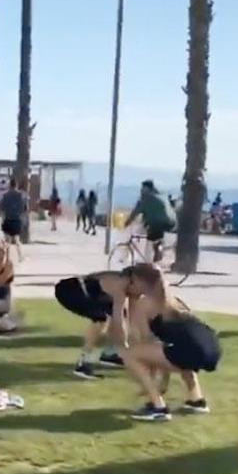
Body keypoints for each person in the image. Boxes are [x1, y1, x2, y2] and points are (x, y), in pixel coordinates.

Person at [119, 264, 220, 422]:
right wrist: (163, 378)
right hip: (211, 348)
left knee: (129, 354)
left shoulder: (144, 304)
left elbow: (146, 346)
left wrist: (151, 385)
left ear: (139, 281)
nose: (128, 287)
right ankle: (196, 401)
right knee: (184, 350)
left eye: (131, 282)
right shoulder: (174, 299)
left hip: (192, 348)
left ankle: (158, 407)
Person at [54, 269, 134, 380]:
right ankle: (83, 364)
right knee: (101, 319)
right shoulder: (121, 284)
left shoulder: (129, 284)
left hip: (88, 290)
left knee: (120, 314)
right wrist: (126, 349)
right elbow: (118, 320)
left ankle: (110, 354)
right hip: (70, 289)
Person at [125, 180, 177, 263]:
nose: (141, 190)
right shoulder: (160, 195)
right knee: (153, 236)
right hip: (171, 222)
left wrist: (127, 222)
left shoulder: (145, 198)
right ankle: (158, 247)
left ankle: (150, 262)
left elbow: (135, 213)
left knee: (151, 239)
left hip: (157, 223)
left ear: (147, 189)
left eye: (143, 188)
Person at [0, 179, 28, 261]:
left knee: (7, 241)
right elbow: (24, 209)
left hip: (7, 219)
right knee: (17, 240)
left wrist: (2, 220)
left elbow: (2, 210)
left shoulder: (5, 195)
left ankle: (7, 258)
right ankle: (20, 257)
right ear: (16, 185)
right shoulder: (21, 195)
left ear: (9, 185)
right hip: (17, 220)